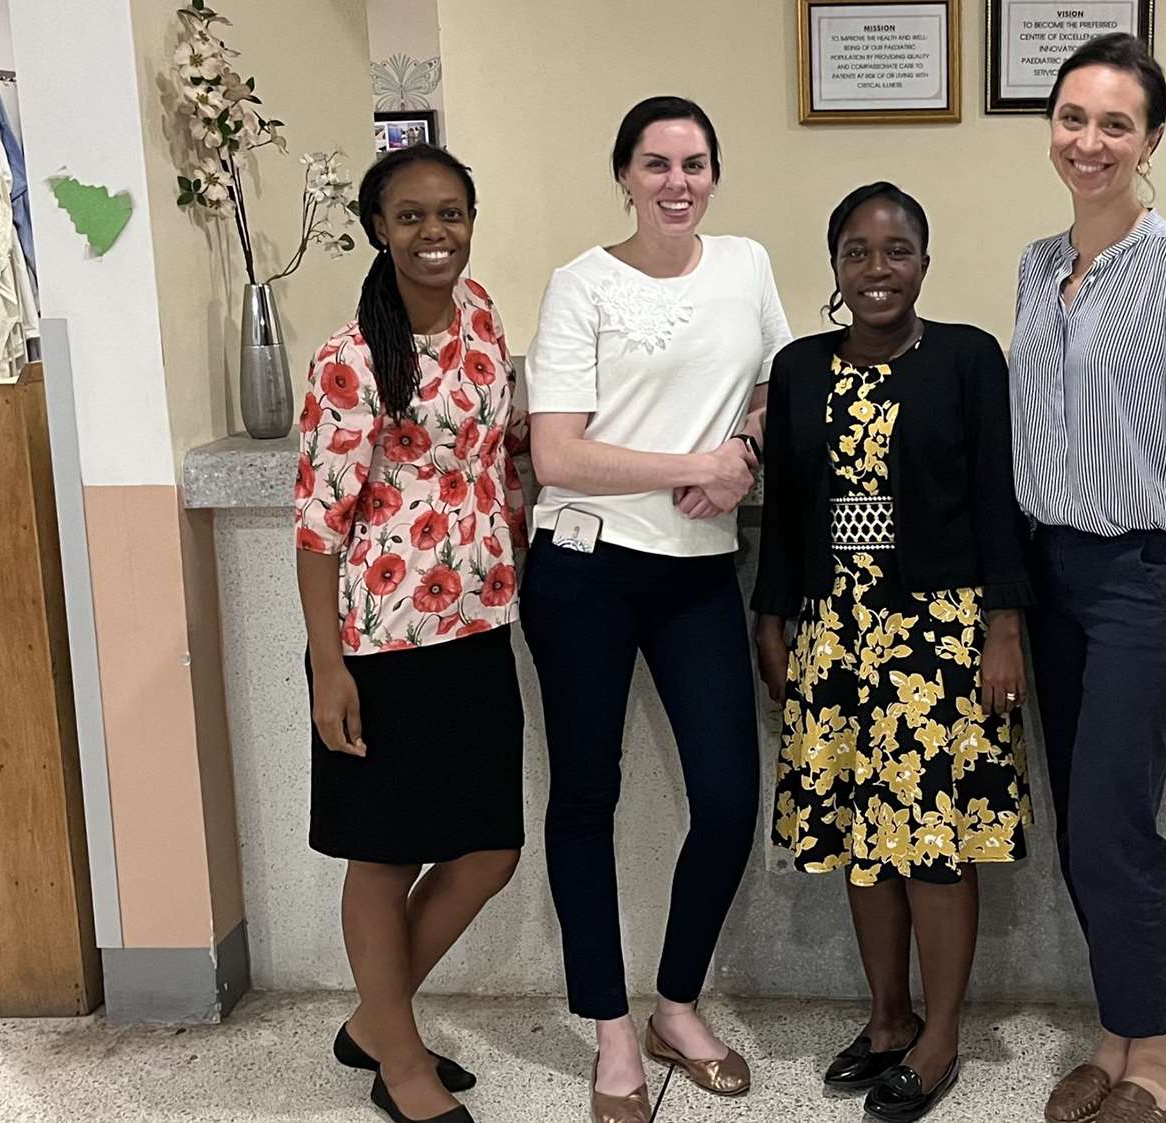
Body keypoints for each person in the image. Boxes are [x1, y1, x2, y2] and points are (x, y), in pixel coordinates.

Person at [520, 95, 792, 1123]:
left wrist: (744, 455)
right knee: (586, 796)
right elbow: (556, 452)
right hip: (582, 569)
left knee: (727, 796)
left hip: (695, 570)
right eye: (656, 164)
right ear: (625, 176)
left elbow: (779, 387)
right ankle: (612, 1032)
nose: (677, 182)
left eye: (694, 163)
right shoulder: (580, 284)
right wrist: (694, 466)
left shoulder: (746, 266)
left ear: (713, 174)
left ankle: (676, 1004)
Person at [1008, 32, 1166, 1123]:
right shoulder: (1035, 265)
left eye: (1116, 123)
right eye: (1073, 118)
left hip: (1145, 580)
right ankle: (1113, 1034)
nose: (1090, 141)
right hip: (1052, 573)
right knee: (1081, 822)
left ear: (1150, 141)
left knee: (1116, 823)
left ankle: (1157, 1050)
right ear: (1051, 130)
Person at [752, 182, 1033, 1123]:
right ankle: (886, 1019)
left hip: (940, 633)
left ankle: (940, 1034)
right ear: (835, 267)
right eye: (858, 252)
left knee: (933, 839)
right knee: (862, 838)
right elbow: (786, 511)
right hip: (834, 626)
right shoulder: (799, 367)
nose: (878, 269)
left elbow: (996, 496)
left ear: (925, 261)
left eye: (897, 249)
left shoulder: (967, 357)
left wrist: (1005, 626)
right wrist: (771, 615)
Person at [293, 144, 528, 1123]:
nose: (436, 233)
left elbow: (500, 451)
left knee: (489, 850)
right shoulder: (349, 358)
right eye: (412, 216)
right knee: (384, 857)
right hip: (379, 646)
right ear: (378, 230)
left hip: (478, 627)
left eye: (451, 213)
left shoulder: (481, 315)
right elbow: (316, 526)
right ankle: (400, 1061)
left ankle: (373, 1021)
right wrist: (328, 669)